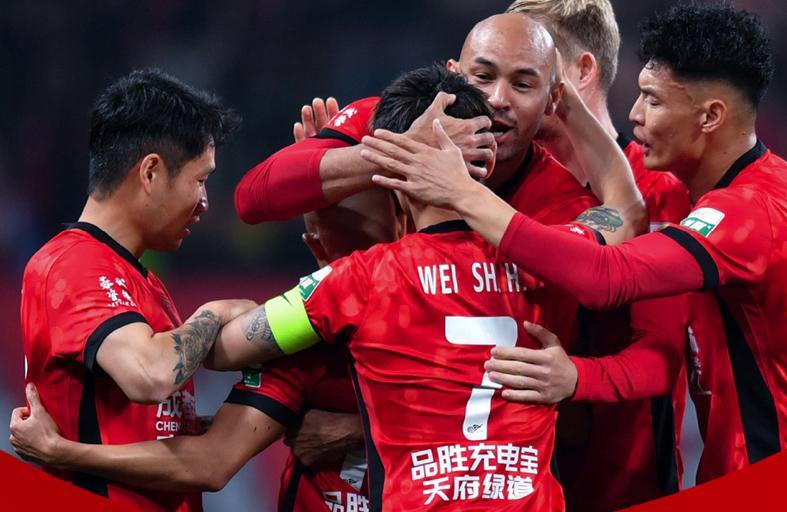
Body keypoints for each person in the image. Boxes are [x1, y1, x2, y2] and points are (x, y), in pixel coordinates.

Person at [363, 3, 785, 481]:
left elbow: (610, 280)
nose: (635, 112)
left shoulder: (743, 211)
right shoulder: (712, 198)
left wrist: (460, 192)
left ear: (711, 116)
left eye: (652, 100)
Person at [16, 69, 252, 511]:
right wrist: (216, 312)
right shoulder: (74, 264)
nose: (205, 203)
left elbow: (147, 427)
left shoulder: (140, 280)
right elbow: (150, 375)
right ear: (151, 172)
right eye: (200, 180)